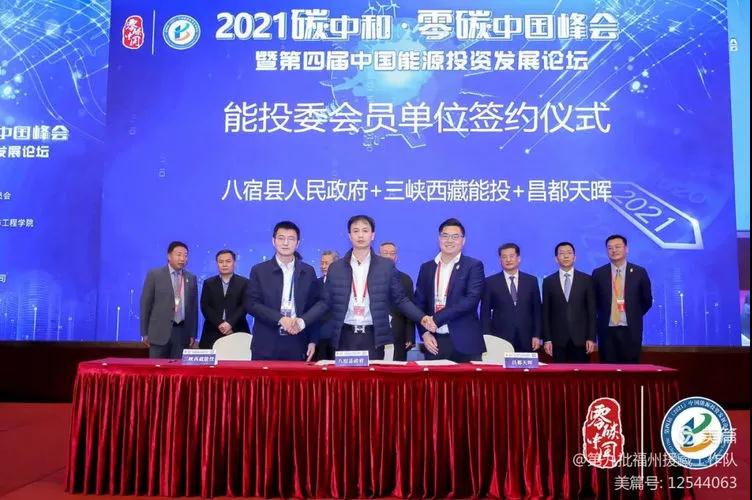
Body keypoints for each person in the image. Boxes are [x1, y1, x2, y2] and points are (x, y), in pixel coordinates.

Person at [308, 215, 431, 359]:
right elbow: (324, 303)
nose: (360, 235)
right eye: (356, 231)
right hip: (344, 336)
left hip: (374, 338)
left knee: (373, 374)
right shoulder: (336, 268)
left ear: (372, 235)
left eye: (365, 231)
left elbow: (401, 300)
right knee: (345, 374)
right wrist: (302, 322)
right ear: (349, 236)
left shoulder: (386, 266)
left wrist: (422, 318)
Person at [245, 221, 322, 361]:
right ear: (273, 241)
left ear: (298, 243)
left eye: (291, 239)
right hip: (266, 342)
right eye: (281, 238)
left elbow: (313, 307)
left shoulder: (308, 271)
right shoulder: (259, 270)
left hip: (297, 340)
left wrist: (312, 340)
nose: (286, 243)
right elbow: (251, 304)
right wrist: (280, 318)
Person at [414, 218, 485, 362]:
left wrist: (436, 319)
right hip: (434, 342)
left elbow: (471, 300)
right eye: (445, 236)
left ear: (463, 241)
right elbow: (419, 303)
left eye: (455, 236)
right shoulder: (426, 267)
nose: (449, 240)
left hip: (465, 342)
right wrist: (425, 333)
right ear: (439, 239)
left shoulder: (473, 265)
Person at [592, 234, 652, 363]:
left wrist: (633, 314)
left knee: (631, 368)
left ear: (626, 249)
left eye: (617, 247)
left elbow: (647, 300)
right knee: (608, 368)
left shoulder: (639, 272)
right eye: (610, 248)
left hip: (631, 330)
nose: (614, 250)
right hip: (606, 331)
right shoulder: (598, 273)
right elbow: (594, 301)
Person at [140, 241, 198, 358]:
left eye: (185, 255)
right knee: (157, 368)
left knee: (178, 368)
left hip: (182, 333)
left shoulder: (191, 278)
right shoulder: (155, 275)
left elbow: (193, 309)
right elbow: (145, 304)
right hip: (158, 333)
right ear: (169, 256)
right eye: (179, 254)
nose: (182, 258)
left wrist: (193, 333)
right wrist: (144, 332)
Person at [481, 243, 541, 353]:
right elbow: (485, 313)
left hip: (527, 338)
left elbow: (537, 311)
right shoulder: (490, 282)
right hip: (500, 338)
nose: (508, 260)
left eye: (511, 256)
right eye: (504, 257)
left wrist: (537, 335)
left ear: (519, 258)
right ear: (500, 260)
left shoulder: (531, 281)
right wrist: (487, 338)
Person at [542, 242, 596, 362]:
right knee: (559, 373)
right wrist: (547, 339)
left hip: (581, 340)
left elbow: (591, 311)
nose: (566, 256)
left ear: (574, 257)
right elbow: (545, 313)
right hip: (557, 340)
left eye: (569, 253)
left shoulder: (586, 280)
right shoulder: (548, 281)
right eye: (562, 253)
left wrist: (591, 338)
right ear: (556, 259)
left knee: (581, 373)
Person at [198, 249, 250, 349]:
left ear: (234, 263)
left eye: (228, 261)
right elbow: (205, 306)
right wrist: (220, 324)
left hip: (237, 329)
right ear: (217, 264)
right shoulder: (208, 283)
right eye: (221, 262)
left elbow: (245, 306)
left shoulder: (244, 283)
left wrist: (230, 323)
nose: (224, 264)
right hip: (212, 330)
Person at [379, 241, 416, 361]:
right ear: (379, 256)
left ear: (396, 257)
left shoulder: (405, 279)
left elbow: (410, 308)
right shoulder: (368, 277)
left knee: (397, 368)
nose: (389, 256)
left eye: (392, 253)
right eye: (385, 253)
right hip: (375, 334)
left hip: (398, 333)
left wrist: (410, 335)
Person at [313, 250, 339, 360]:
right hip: (318, 339)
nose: (323, 266)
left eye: (327, 263)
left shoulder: (344, 284)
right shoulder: (314, 283)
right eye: (322, 263)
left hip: (338, 339)